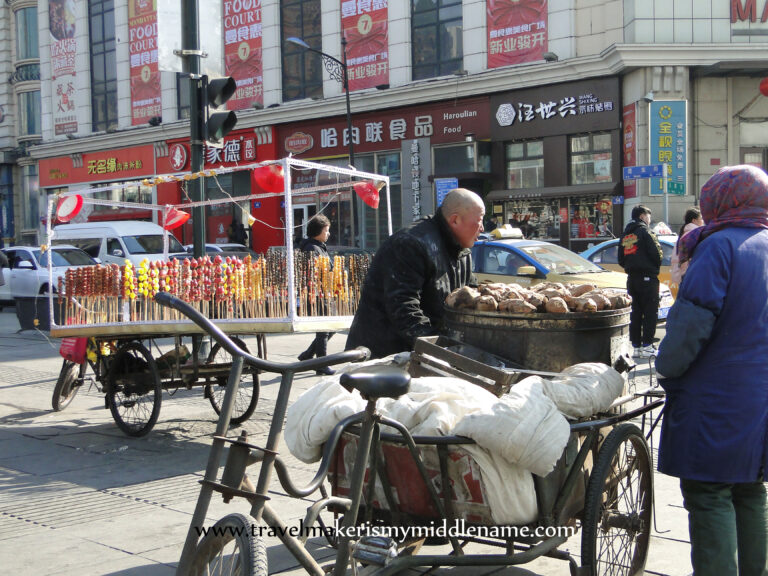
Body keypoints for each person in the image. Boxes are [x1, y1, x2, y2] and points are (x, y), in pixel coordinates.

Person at [655, 165, 768, 576]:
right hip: (759, 399)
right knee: (751, 491)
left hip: (717, 399)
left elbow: (690, 325)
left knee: (710, 494)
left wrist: (664, 368)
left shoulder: (719, 247)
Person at [346, 188, 484, 359]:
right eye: (479, 221)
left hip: (424, 357)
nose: (482, 228)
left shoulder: (463, 253)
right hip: (383, 356)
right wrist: (443, 349)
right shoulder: (411, 244)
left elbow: (470, 298)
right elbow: (404, 309)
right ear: (455, 220)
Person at [618, 205, 662, 358]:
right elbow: (657, 253)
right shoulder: (646, 232)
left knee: (635, 312)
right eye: (648, 216)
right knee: (650, 312)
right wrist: (652, 268)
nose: (649, 220)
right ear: (643, 216)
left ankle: (636, 346)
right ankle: (648, 345)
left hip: (631, 278)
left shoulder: (625, 235)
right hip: (648, 278)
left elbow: (620, 259)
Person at [297, 214, 336, 376]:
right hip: (317, 292)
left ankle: (307, 355)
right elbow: (313, 271)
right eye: (326, 231)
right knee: (324, 328)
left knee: (332, 325)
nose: (328, 234)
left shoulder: (320, 246)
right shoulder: (311, 248)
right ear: (318, 231)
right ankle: (321, 362)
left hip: (326, 290)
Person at [669, 207, 704, 288]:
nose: (703, 221)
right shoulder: (694, 235)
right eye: (701, 218)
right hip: (690, 276)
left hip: (685, 275)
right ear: (694, 220)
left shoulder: (685, 233)